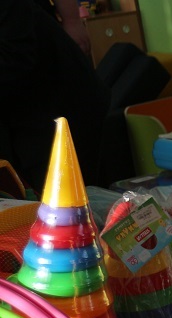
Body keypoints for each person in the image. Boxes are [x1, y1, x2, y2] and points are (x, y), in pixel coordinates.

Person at [0, 0, 109, 192]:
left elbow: (17, 60)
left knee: (65, 198)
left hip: (59, 108)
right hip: (28, 112)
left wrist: (72, 20)